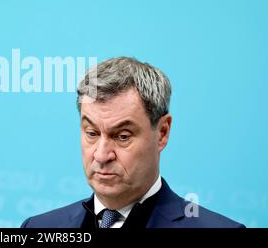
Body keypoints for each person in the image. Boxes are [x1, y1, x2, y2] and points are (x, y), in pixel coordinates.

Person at [21, 57, 244, 228]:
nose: (101, 155)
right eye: (91, 133)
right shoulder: (39, 228)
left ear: (162, 133)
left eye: (122, 136)